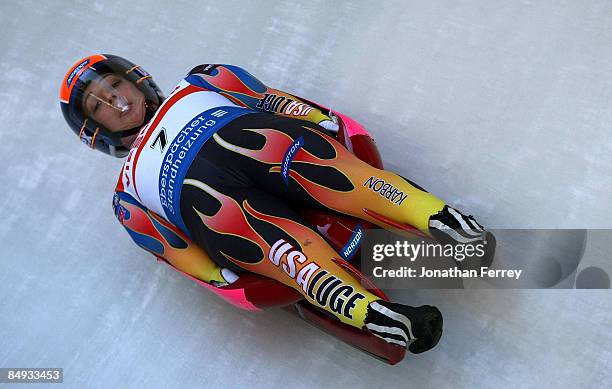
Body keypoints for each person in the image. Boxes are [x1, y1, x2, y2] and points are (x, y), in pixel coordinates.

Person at [60, 54, 494, 354]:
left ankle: (438, 221)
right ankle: (382, 311)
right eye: (100, 105)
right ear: (95, 128)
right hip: (222, 209)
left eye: (113, 85)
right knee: (263, 235)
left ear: (134, 78)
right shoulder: (126, 193)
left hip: (268, 147)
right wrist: (223, 279)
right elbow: (176, 251)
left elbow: (273, 101)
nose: (115, 101)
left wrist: (324, 123)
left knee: (303, 160)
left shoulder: (198, 80)